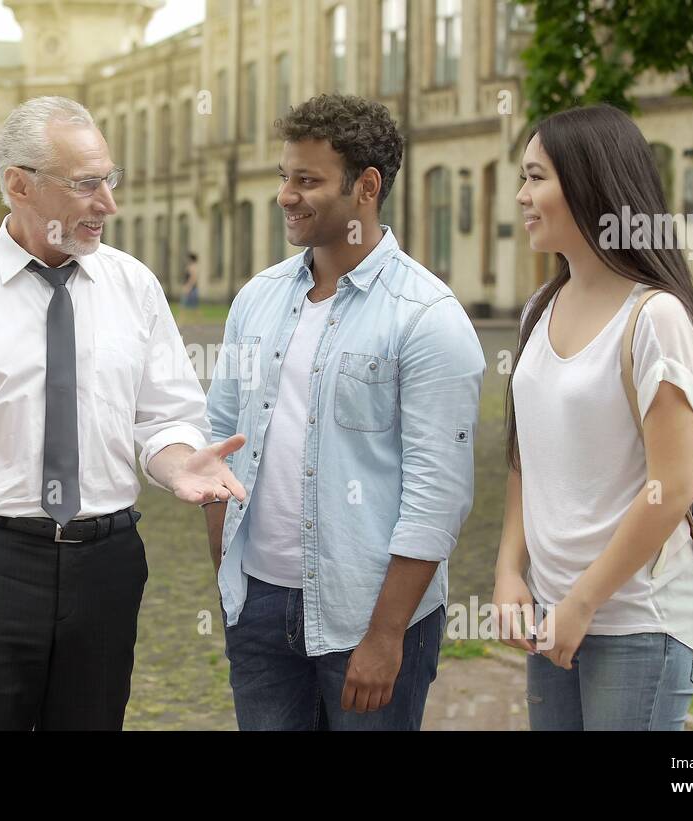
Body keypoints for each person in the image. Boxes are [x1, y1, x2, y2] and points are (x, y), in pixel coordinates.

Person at [0, 96, 246, 731]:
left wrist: (179, 463)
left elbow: (167, 418)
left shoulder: (137, 288)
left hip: (108, 564)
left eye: (110, 179)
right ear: (19, 185)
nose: (108, 204)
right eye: (86, 184)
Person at [204, 94, 486, 730]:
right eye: (284, 176)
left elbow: (436, 497)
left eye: (308, 180)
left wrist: (386, 637)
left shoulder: (427, 318)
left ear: (366, 186)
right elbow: (219, 438)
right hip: (258, 608)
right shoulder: (257, 300)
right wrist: (232, 585)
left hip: (369, 620)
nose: (286, 195)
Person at [492, 103, 693, 730]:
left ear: (590, 185)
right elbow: (523, 458)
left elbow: (672, 489)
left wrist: (584, 601)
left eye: (536, 178)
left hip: (638, 621)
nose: (521, 196)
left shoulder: (656, 318)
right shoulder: (541, 307)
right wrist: (510, 570)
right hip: (556, 614)